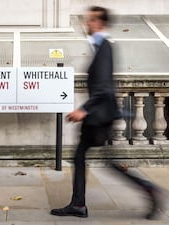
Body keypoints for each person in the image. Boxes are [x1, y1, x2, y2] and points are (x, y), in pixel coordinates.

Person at [50, 6, 164, 220]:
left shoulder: (104, 48)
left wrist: (83, 110)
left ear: (100, 23)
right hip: (101, 115)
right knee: (88, 157)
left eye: (90, 20)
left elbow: (103, 88)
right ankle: (79, 204)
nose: (86, 23)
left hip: (98, 117)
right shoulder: (101, 47)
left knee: (93, 159)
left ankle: (147, 189)